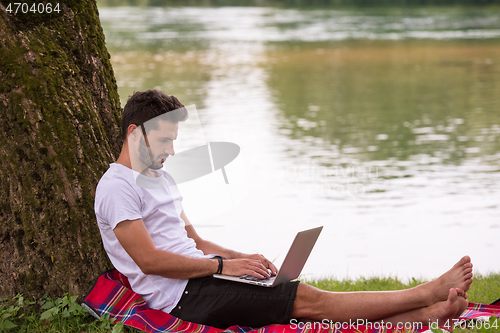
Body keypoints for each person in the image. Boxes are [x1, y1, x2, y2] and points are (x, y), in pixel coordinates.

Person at [95, 89, 474, 329]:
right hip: (183, 297)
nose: (172, 151)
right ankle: (426, 294)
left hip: (205, 276)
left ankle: (426, 316)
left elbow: (191, 239)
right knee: (310, 301)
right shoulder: (116, 187)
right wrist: (224, 267)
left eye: (173, 141)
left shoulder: (160, 179)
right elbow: (150, 261)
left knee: (297, 295)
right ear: (134, 133)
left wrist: (245, 259)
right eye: (164, 140)